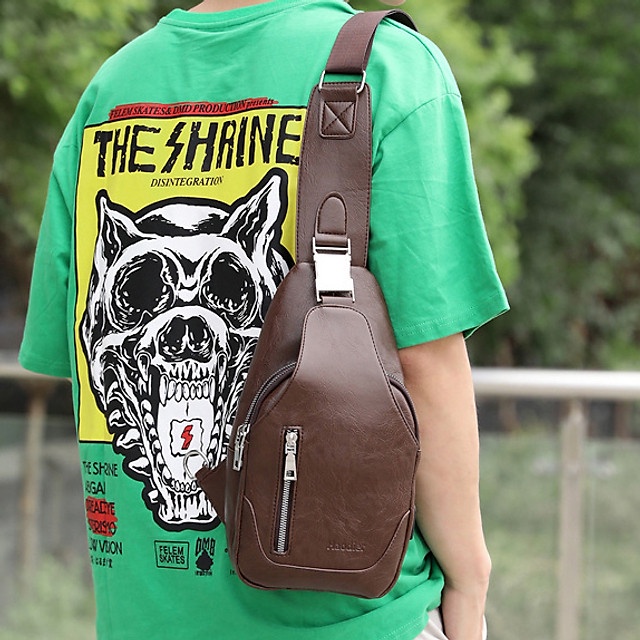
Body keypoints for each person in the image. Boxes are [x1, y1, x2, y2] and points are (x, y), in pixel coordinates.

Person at [19, 0, 507, 638]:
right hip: (356, 619)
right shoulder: (387, 68)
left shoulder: (111, 91)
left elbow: (76, 356)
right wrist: (471, 576)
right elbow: (424, 360)